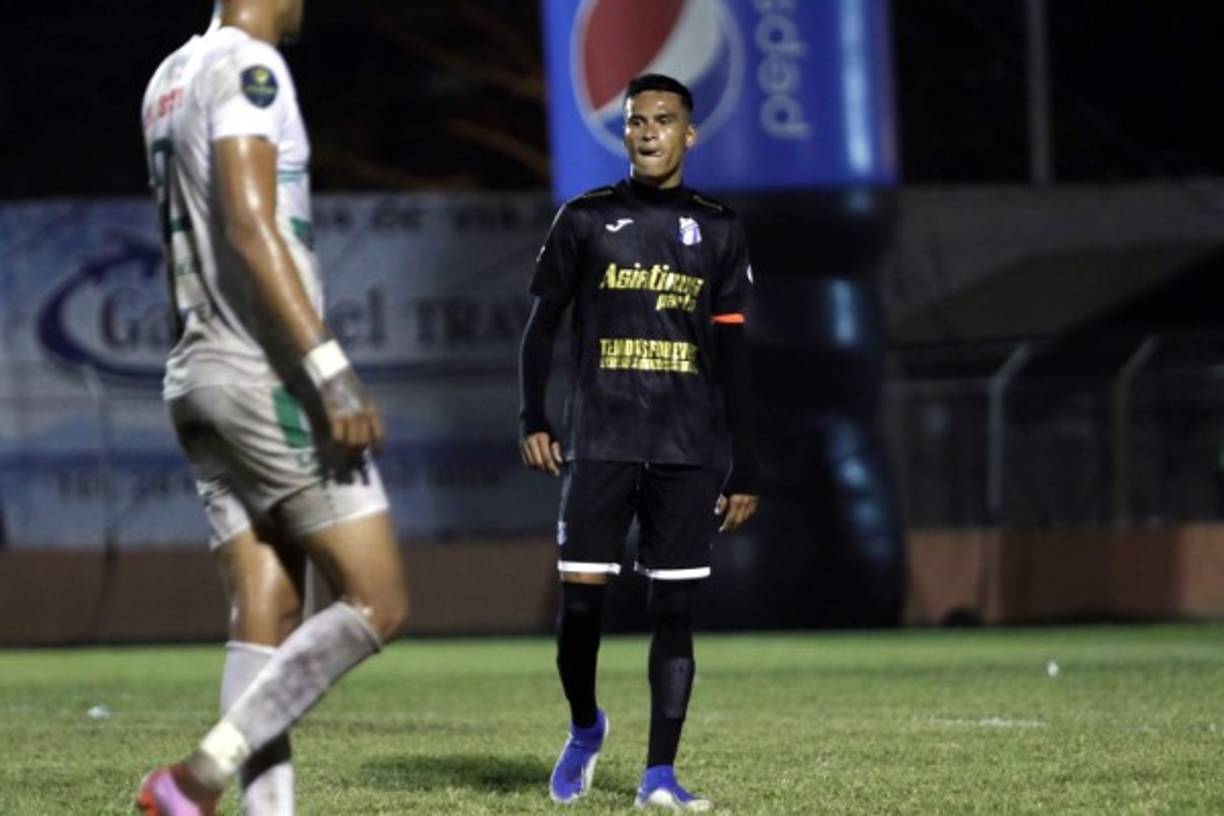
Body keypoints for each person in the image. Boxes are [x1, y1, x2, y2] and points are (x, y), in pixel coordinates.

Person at [135, 1, 407, 813]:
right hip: (265, 377)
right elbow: (252, 227)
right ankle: (196, 777)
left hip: (194, 373)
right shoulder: (253, 69)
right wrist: (329, 369)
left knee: (268, 607)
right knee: (378, 600)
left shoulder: (167, 77)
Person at [519, 73, 760, 811]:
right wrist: (533, 416)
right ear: (623, 134)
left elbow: (735, 356)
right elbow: (541, 326)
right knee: (581, 606)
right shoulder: (585, 219)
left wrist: (743, 461)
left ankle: (659, 774)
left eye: (664, 120)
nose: (649, 131)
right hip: (601, 438)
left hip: (686, 447)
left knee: (674, 611)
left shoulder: (718, 227)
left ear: (689, 134)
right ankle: (586, 728)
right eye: (636, 121)